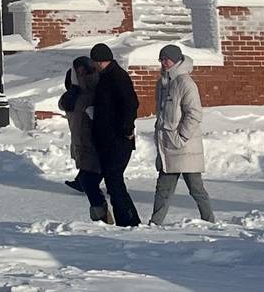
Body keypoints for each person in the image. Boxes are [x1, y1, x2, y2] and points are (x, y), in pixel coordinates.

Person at [149, 43, 216, 225]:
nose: (163, 63)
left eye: (166, 59)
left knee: (196, 188)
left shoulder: (185, 82)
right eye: (161, 59)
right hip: (167, 146)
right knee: (163, 188)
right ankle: (155, 223)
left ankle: (209, 221)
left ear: (177, 60)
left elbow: (194, 113)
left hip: (184, 147)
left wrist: (182, 137)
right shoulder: (163, 83)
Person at [86, 42, 142, 227]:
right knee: (113, 181)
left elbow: (130, 104)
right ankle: (126, 220)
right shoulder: (106, 76)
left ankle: (129, 220)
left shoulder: (117, 77)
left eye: (94, 62)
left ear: (99, 61)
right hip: (109, 139)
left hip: (118, 140)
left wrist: (127, 130)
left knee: (114, 180)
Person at [58, 56, 111, 222]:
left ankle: (102, 215)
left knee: (90, 180)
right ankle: (101, 214)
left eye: (83, 70)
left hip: (94, 143)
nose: (81, 73)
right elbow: (64, 103)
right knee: (89, 180)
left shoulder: (94, 88)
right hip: (82, 142)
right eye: (78, 71)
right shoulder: (74, 94)